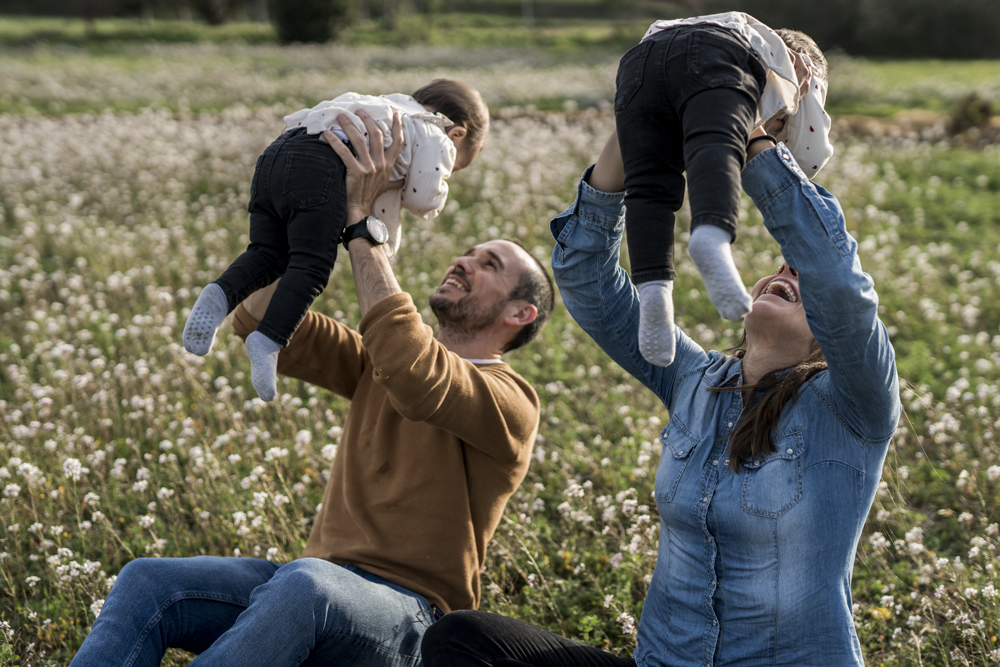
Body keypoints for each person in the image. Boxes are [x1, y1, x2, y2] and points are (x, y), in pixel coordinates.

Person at [70, 110, 553, 667]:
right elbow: (257, 317)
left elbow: (418, 375)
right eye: (467, 252)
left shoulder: (511, 400)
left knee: (307, 586)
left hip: (411, 615)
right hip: (310, 583)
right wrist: (311, 204)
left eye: (488, 264)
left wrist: (360, 227)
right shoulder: (382, 359)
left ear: (521, 312)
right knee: (146, 580)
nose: (463, 261)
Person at [420, 127, 899, 666]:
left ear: (831, 334)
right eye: (781, 266)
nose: (787, 268)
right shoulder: (694, 378)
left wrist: (753, 133)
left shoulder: (852, 405)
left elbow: (837, 279)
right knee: (461, 639)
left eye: (801, 273)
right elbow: (586, 276)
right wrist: (640, 119)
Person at [182, 79, 490, 401]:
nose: (446, 171)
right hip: (322, 165)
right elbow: (422, 197)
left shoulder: (383, 108)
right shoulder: (434, 133)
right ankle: (269, 339)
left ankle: (218, 296)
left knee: (268, 252)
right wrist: (437, 190)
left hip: (276, 154)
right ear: (456, 134)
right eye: (453, 168)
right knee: (312, 265)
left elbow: (383, 188)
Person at [616, 12, 833, 367]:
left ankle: (653, 290)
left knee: (647, 190)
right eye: (777, 125)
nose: (767, 133)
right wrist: (780, 104)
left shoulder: (713, 31)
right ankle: (711, 235)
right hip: (710, 56)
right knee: (715, 147)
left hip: (637, 64)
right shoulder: (771, 61)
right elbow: (812, 150)